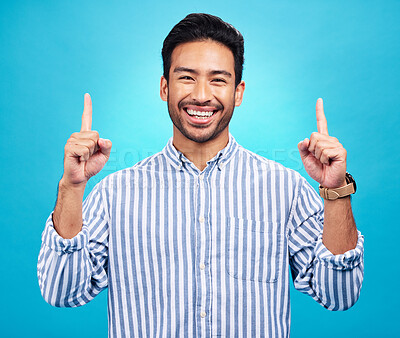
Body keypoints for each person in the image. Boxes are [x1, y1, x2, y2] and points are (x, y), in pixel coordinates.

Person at [38, 13, 364, 338]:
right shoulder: (115, 193)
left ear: (238, 92)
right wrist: (72, 186)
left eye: (218, 79)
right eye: (187, 77)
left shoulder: (284, 188)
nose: (202, 95)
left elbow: (339, 294)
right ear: (165, 87)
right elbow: (62, 291)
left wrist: (336, 190)